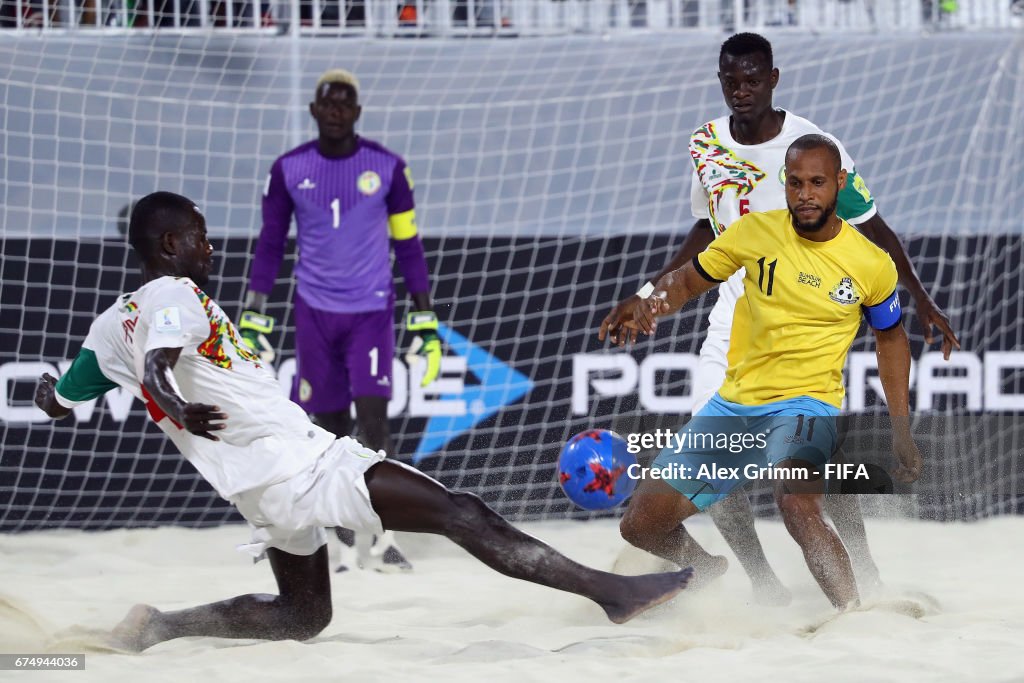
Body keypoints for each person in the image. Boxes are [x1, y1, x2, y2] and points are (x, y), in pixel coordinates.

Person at [33, 191, 693, 652]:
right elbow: (157, 363)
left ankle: (156, 627)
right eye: (200, 235)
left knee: (302, 614)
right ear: (169, 243)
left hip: (259, 483)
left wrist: (50, 397)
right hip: (298, 460)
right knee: (461, 511)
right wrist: (175, 404)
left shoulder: (105, 326)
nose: (210, 246)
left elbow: (66, 396)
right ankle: (615, 592)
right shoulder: (174, 294)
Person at [599, 32, 959, 603]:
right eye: (730, 82)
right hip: (734, 312)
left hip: (811, 308)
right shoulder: (706, 144)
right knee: (700, 476)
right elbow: (708, 229)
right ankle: (761, 581)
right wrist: (649, 294)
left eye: (751, 80)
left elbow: (872, 225)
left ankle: (860, 575)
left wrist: (921, 299)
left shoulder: (813, 146)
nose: (740, 91)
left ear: (773, 78)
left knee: (805, 471)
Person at [617, 135, 923, 609]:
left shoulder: (870, 263)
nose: (805, 195)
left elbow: (891, 339)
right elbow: (688, 281)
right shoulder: (753, 232)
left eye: (817, 183)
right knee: (640, 523)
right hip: (735, 404)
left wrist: (901, 429)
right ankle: (705, 571)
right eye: (796, 183)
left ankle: (854, 614)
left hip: (807, 404)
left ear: (838, 183)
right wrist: (650, 303)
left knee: (797, 502)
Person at [241, 69, 440, 573]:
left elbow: (408, 245)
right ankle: (344, 539)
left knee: (374, 424)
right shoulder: (288, 169)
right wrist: (254, 311)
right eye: (327, 103)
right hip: (314, 312)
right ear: (314, 111)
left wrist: (424, 314)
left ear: (356, 112)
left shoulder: (388, 168)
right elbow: (269, 244)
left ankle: (378, 540)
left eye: (344, 103)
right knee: (326, 430)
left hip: (371, 311)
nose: (335, 111)